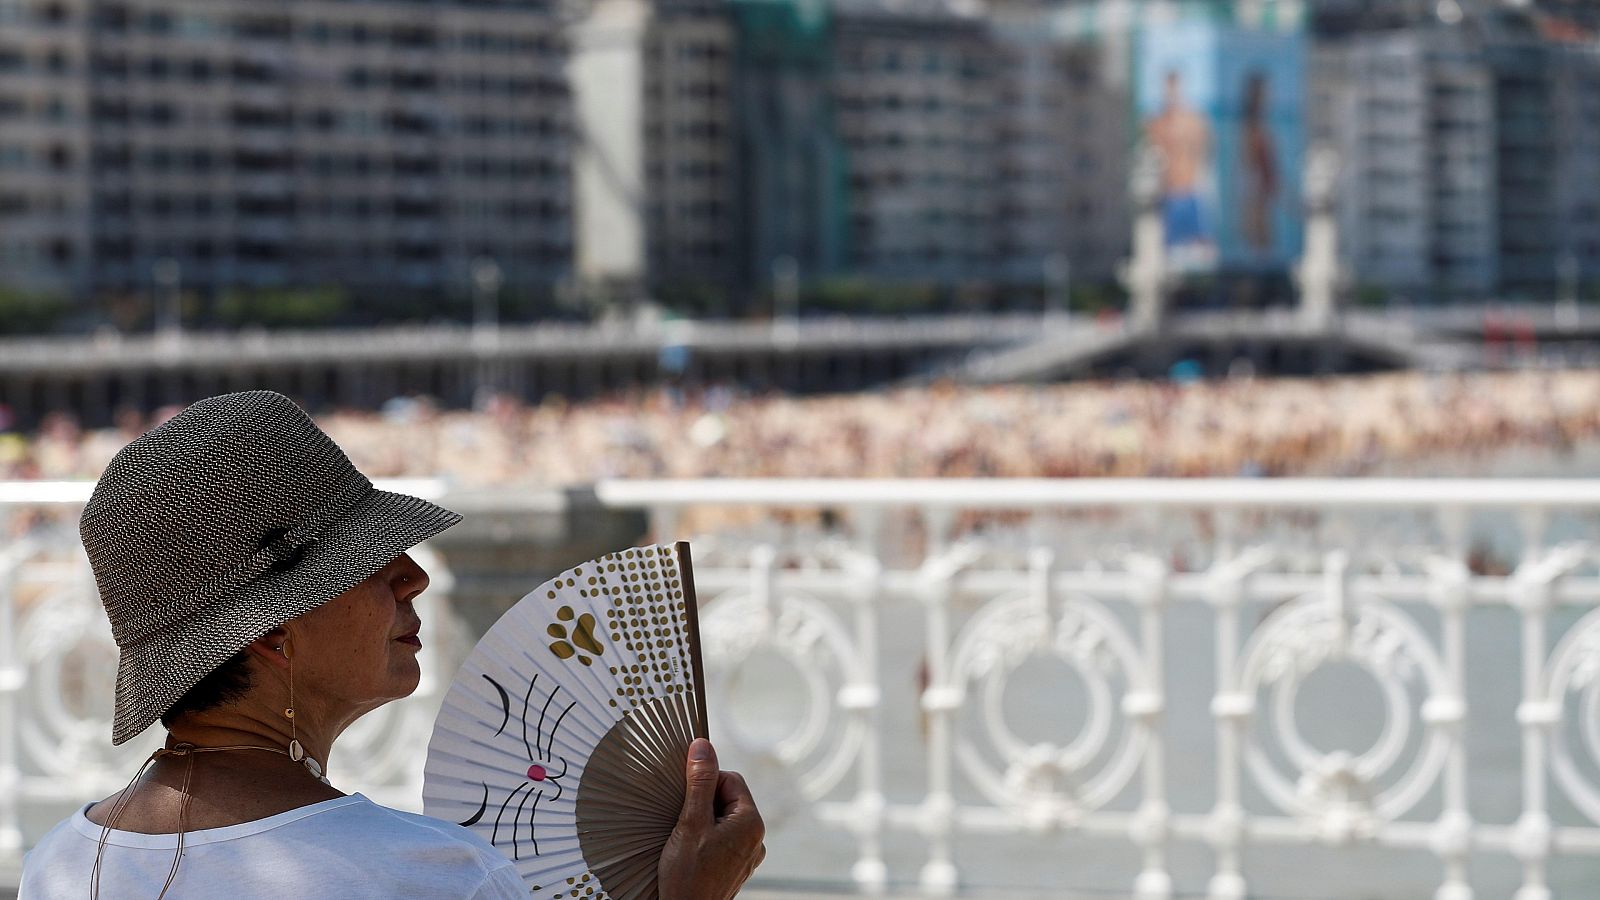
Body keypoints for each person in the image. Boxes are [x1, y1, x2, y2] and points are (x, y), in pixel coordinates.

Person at [18, 390, 764, 899]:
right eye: (367, 562)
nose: (411, 577)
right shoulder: (433, 875)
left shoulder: (62, 863)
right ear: (274, 628)